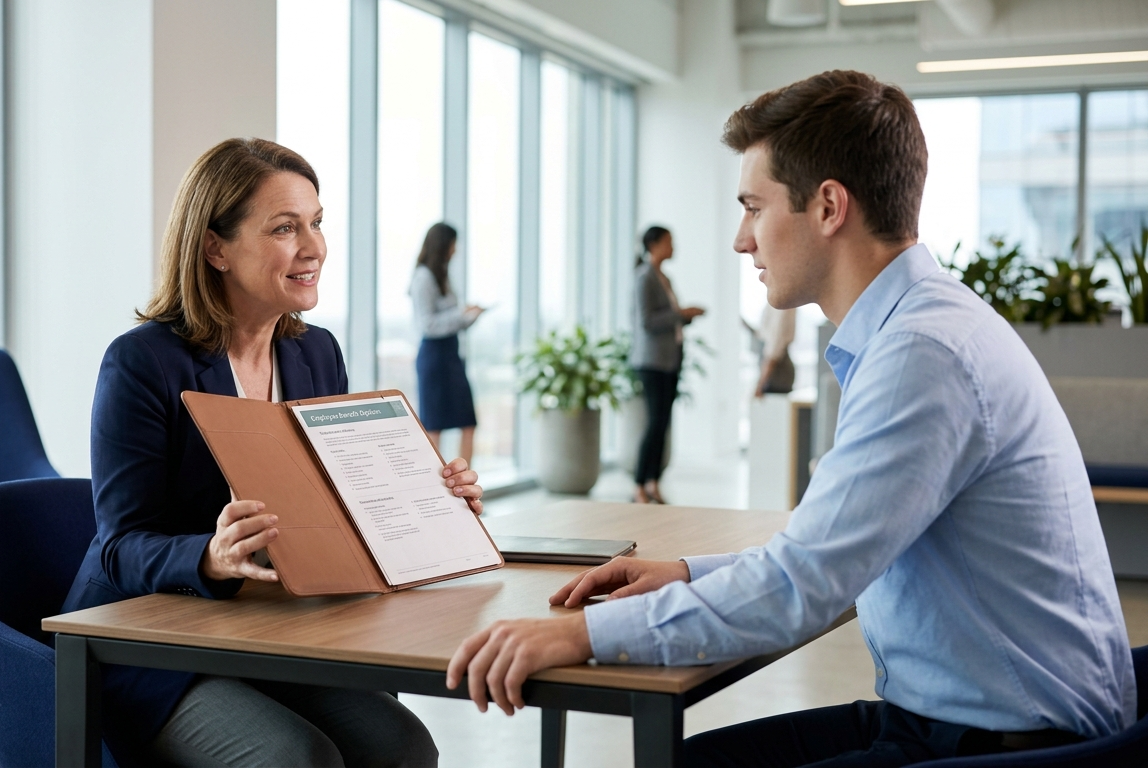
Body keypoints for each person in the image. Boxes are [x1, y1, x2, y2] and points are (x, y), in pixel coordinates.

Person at [444, 70, 1134, 767]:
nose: (742, 239)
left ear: (829, 206)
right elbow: (834, 551)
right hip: (958, 716)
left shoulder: (921, 355)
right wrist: (690, 572)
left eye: (753, 206)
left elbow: (803, 586)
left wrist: (582, 634)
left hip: (1008, 742)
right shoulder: (920, 325)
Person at [61, 138, 487, 768]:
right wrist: (209, 556)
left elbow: (334, 507)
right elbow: (121, 545)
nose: (313, 247)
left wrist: (430, 497)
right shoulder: (142, 362)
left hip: (270, 626)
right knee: (295, 759)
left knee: (403, 747)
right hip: (150, 639)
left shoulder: (316, 353)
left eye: (316, 223)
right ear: (215, 248)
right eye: (285, 228)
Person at [630, 226, 706, 504]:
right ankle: (639, 483)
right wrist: (680, 313)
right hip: (651, 362)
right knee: (654, 423)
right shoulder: (644, 278)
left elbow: (667, 318)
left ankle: (653, 482)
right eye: (669, 242)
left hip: (669, 359)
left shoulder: (664, 278)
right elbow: (648, 321)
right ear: (654, 245)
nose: (674, 247)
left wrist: (685, 317)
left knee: (663, 424)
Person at [410, 222, 484, 462]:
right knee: (434, 426)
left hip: (452, 356)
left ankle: (466, 486)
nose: (456, 250)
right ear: (443, 245)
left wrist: (471, 316)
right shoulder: (423, 277)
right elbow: (428, 324)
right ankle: (437, 490)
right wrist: (461, 315)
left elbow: (453, 321)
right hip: (434, 357)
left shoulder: (443, 274)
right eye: (453, 244)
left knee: (468, 422)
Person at [754, 305, 796, 397]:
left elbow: (774, 352)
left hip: (777, 376)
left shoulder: (781, 305)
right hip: (775, 374)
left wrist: (760, 385)